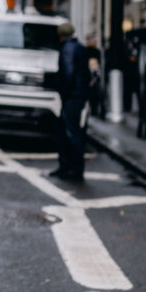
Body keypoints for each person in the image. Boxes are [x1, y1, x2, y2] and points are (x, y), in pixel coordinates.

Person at [50, 21, 90, 181]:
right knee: (69, 131)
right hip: (78, 95)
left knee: (71, 133)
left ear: (61, 36)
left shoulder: (68, 48)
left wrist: (63, 92)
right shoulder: (79, 46)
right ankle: (68, 167)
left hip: (72, 96)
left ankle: (73, 169)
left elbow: (68, 72)